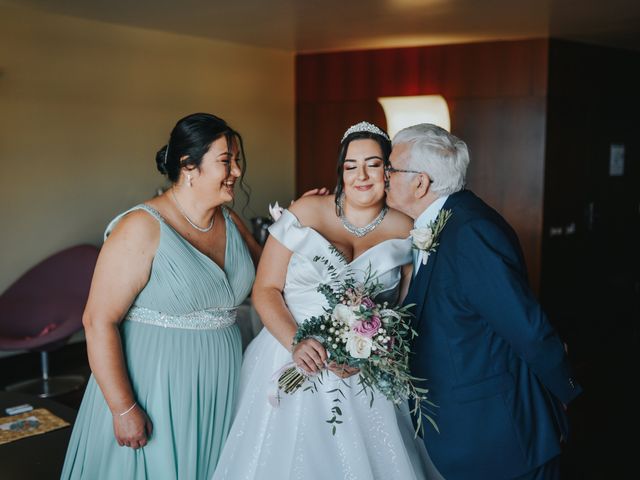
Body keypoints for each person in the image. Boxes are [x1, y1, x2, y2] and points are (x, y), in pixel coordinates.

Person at [213, 121, 443, 480]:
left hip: (366, 371)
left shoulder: (407, 228)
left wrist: (375, 349)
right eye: (351, 166)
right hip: (290, 354)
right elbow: (265, 289)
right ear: (341, 171)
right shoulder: (305, 212)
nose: (361, 175)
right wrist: (296, 342)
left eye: (373, 164)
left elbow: (406, 310)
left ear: (389, 170)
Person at [61, 113, 261, 479]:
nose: (236, 171)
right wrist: (123, 409)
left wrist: (304, 223)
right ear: (189, 167)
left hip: (223, 384)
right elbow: (97, 320)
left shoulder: (231, 223)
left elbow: (270, 277)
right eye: (225, 161)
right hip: (157, 386)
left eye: (237, 160)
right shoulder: (141, 227)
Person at [385, 123, 583, 480]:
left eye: (391, 169)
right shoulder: (442, 225)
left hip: (504, 438)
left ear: (420, 182)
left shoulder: (471, 231)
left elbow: (526, 326)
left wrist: (563, 391)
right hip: (470, 432)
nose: (385, 176)